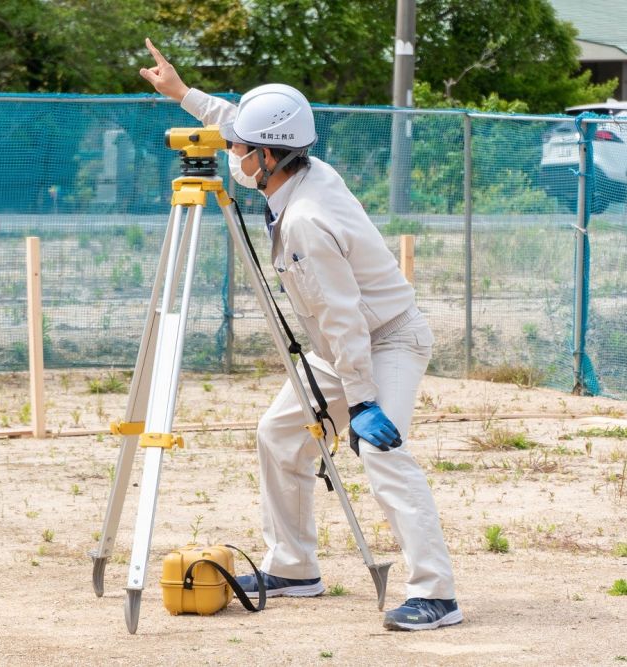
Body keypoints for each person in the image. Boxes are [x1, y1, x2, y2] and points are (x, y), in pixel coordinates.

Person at [139, 38, 462, 632]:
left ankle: (437, 595)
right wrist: (184, 95)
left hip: (384, 339)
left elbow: (342, 315)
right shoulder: (296, 165)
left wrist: (361, 403)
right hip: (343, 344)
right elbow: (237, 120)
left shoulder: (309, 219)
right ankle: (293, 568)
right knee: (280, 433)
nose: (231, 153)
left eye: (240, 149)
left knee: (382, 453)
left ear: (268, 155)